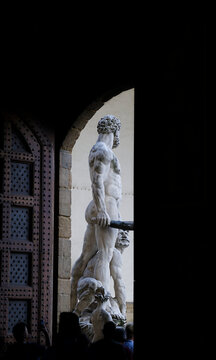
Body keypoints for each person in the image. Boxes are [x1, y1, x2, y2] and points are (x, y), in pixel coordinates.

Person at [71, 114, 122, 311]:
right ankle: (104, 304)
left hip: (101, 205)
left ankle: (70, 304)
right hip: (106, 205)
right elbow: (97, 181)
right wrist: (102, 210)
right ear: (115, 130)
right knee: (105, 254)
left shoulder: (98, 149)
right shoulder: (103, 150)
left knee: (86, 257)